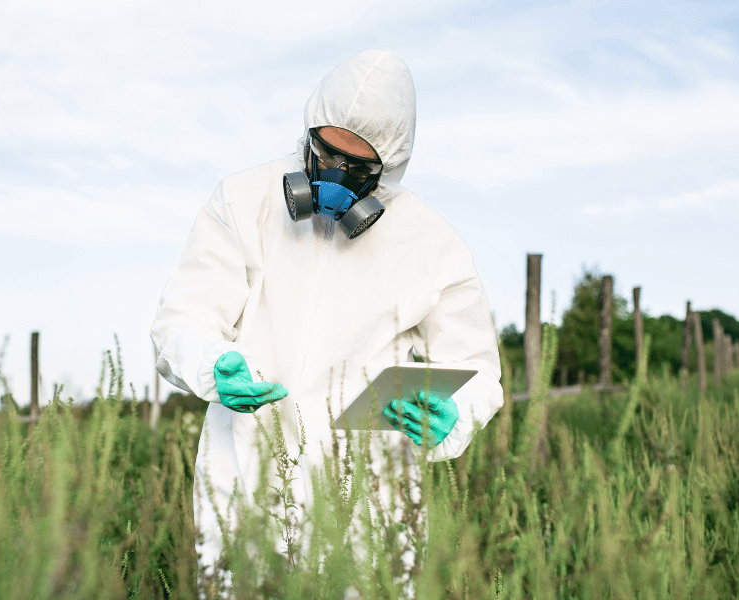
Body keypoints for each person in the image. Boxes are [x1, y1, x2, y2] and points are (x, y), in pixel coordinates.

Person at [151, 48, 503, 587]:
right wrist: (212, 363)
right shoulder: (244, 200)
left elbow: (476, 369)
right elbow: (184, 316)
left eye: (359, 168)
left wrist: (453, 416)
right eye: (327, 152)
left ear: (389, 169)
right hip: (244, 479)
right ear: (310, 132)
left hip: (368, 502)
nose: (336, 175)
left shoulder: (433, 244)